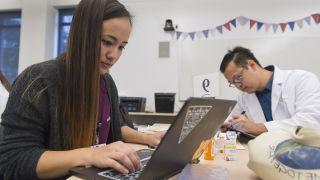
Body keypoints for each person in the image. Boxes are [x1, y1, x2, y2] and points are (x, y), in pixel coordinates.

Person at [0, 0, 165, 179]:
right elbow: (13, 160)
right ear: (82, 35)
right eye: (107, 42)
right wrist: (91, 154)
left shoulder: (106, 82)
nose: (114, 55)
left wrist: (148, 139)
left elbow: (116, 128)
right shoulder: (37, 81)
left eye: (121, 47)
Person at [220, 46, 320, 136]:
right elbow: (226, 119)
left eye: (238, 78)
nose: (238, 86)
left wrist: (255, 128)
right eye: (232, 83)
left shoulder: (302, 80)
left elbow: (310, 122)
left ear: (252, 65)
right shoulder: (244, 96)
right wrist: (225, 125)